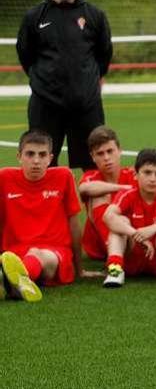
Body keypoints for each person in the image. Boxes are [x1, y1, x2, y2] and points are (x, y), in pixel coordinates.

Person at [16, 0, 112, 170]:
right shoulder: (34, 16)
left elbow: (104, 55)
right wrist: (44, 82)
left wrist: (85, 84)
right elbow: (25, 54)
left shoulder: (95, 15)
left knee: (94, 167)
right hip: (45, 106)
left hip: (86, 106)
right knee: (43, 166)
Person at [0, 129, 82, 302]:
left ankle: (7, 281)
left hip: (54, 253)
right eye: (30, 154)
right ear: (19, 157)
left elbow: (74, 223)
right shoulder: (4, 177)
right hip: (13, 253)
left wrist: (78, 268)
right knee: (17, 259)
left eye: (42, 155)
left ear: (50, 158)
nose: (36, 161)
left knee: (38, 254)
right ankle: (17, 285)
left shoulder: (63, 176)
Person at [102, 149, 156, 288]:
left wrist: (154, 228)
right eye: (147, 172)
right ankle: (115, 269)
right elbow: (108, 216)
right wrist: (135, 234)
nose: (153, 178)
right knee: (121, 222)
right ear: (136, 175)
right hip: (132, 254)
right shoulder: (128, 194)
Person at [79, 126, 137, 261]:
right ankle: (114, 253)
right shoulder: (91, 176)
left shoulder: (132, 173)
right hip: (99, 247)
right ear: (93, 157)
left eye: (110, 151)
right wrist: (127, 189)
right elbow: (85, 188)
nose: (106, 158)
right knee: (99, 196)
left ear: (119, 151)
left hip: (130, 238)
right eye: (100, 153)